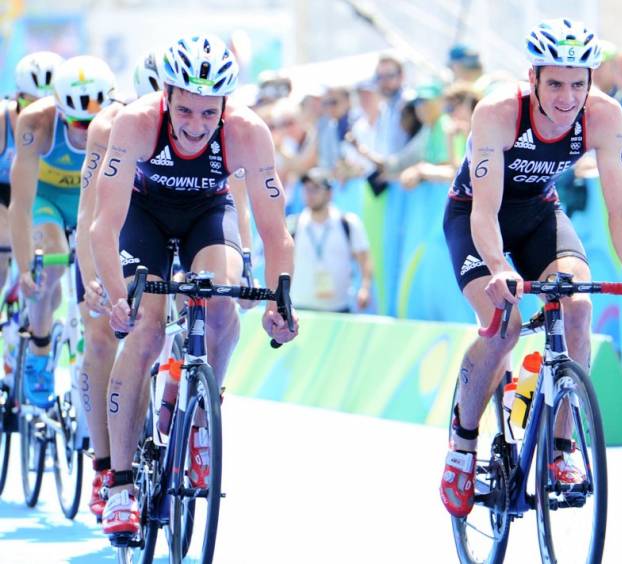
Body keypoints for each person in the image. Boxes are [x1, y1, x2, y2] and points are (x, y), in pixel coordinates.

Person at [90, 34, 298, 535]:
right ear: (165, 95)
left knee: (223, 302)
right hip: (144, 216)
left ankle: (200, 413)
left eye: (209, 113)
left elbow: (276, 232)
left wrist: (281, 302)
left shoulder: (248, 131)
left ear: (225, 105)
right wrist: (117, 299)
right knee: (145, 331)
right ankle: (119, 486)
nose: (195, 126)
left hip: (208, 214)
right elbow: (103, 225)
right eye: (184, 110)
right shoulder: (136, 123)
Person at [438, 18, 622, 518]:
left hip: (539, 214)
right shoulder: (498, 112)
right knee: (503, 324)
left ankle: (561, 448)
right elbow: (485, 211)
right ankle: (463, 443)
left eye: (577, 84)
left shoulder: (605, 115)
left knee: (578, 306)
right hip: (475, 216)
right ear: (533, 78)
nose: (568, 97)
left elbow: (620, 209)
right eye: (555, 84)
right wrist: (498, 267)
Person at [10, 56, 116, 409]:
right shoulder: (36, 122)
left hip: (94, 199)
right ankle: (40, 347)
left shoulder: (121, 120)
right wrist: (25, 267)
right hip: (49, 201)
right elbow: (20, 205)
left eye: (93, 122)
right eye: (76, 122)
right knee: (50, 264)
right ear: (58, 110)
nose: (86, 132)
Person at [0, 52, 65, 320]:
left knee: (52, 281)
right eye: (31, 103)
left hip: (38, 193)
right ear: (16, 97)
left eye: (49, 105)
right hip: (4, 190)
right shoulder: (2, 121)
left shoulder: (64, 126)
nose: (38, 113)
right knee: (4, 243)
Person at [289, 169, 371, 312]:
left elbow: (364, 260)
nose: (309, 194)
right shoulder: (292, 225)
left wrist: (365, 289)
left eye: (315, 189)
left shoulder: (348, 223)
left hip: (339, 309)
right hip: (300, 308)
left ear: (329, 193)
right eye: (306, 189)